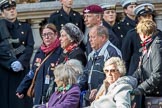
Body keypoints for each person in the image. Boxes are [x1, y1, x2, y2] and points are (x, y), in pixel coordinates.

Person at [16, 23, 62, 105]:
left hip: (54, 95)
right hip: (39, 95)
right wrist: (22, 88)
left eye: (50, 34)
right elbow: (32, 72)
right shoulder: (40, 52)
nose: (47, 37)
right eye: (44, 35)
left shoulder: (61, 52)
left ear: (56, 35)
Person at [0, 0, 34, 108]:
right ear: (1, 12)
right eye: (8, 9)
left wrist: (20, 62)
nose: (11, 11)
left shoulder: (25, 27)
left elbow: (29, 47)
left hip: (21, 71)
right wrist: (11, 62)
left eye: (13, 9)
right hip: (5, 71)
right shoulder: (0, 28)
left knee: (22, 102)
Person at [79, 25, 122, 106]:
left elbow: (113, 78)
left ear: (103, 37)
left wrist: (99, 90)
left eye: (93, 37)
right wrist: (76, 88)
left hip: (106, 99)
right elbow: (85, 74)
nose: (90, 40)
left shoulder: (112, 52)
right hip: (92, 98)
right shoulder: (91, 54)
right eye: (89, 37)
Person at [132, 19, 162, 108]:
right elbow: (140, 70)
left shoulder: (156, 46)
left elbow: (158, 74)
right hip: (150, 95)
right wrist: (129, 80)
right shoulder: (148, 46)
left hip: (157, 96)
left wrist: (140, 88)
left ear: (143, 34)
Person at [121, 3, 158, 75]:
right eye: (144, 16)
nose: (147, 18)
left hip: (154, 72)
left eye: (149, 16)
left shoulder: (158, 34)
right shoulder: (132, 34)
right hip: (136, 72)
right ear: (139, 18)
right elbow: (125, 57)